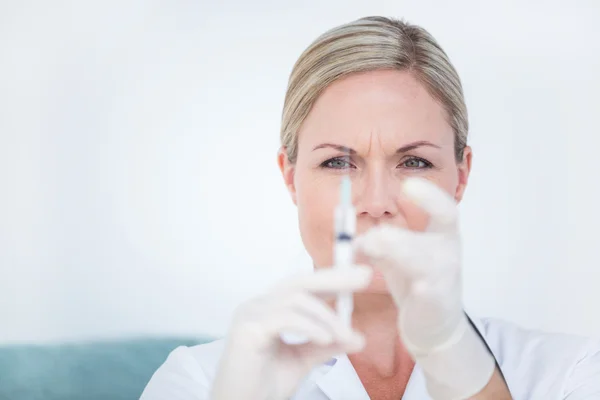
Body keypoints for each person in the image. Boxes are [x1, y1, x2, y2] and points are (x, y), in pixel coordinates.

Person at [139, 16, 600, 400]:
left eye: (414, 161)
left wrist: (454, 356)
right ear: (289, 175)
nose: (377, 204)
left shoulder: (567, 373)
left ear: (460, 176)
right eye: (338, 161)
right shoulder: (200, 382)